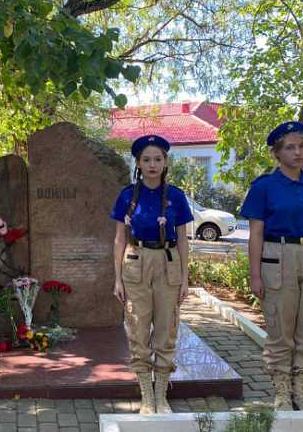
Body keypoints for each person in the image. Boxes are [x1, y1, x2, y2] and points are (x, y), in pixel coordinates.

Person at [240, 121, 303, 411]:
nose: (298, 152)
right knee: (280, 329)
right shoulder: (264, 187)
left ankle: (301, 389)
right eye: (290, 147)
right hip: (276, 257)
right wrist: (255, 274)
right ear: (277, 153)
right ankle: (282, 391)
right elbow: (256, 233)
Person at [111, 134, 193, 414]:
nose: (152, 164)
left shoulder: (176, 197)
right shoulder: (127, 196)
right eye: (146, 159)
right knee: (137, 326)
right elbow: (119, 239)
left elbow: (183, 239)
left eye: (158, 159)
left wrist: (185, 277)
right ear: (138, 163)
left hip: (168, 262)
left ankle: (161, 395)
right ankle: (146, 394)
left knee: (166, 328)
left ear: (166, 161)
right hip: (135, 262)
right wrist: (117, 279)